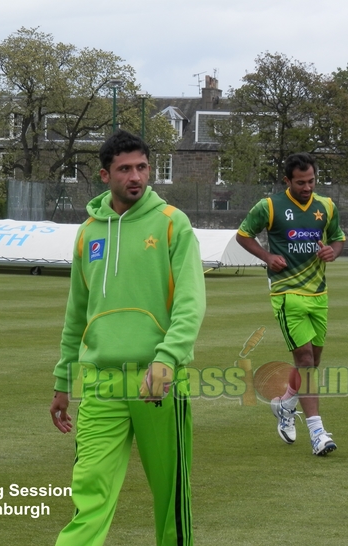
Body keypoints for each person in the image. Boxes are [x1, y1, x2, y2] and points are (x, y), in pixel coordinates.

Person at [50, 130, 206, 546]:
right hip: (99, 383)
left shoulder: (173, 223)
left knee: (171, 499)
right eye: (124, 169)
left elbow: (191, 304)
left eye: (142, 167)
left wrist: (166, 360)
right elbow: (76, 316)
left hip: (159, 381)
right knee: (89, 493)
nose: (135, 176)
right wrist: (63, 381)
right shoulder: (87, 233)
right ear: (105, 175)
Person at [236, 152, 345, 456]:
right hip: (286, 294)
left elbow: (338, 238)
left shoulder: (327, 206)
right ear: (287, 181)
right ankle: (317, 432)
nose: (307, 187)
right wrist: (267, 257)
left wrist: (333, 252)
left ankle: (285, 404)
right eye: (300, 183)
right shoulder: (269, 207)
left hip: (318, 294)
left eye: (311, 181)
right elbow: (243, 235)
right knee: (306, 361)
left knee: (312, 362)